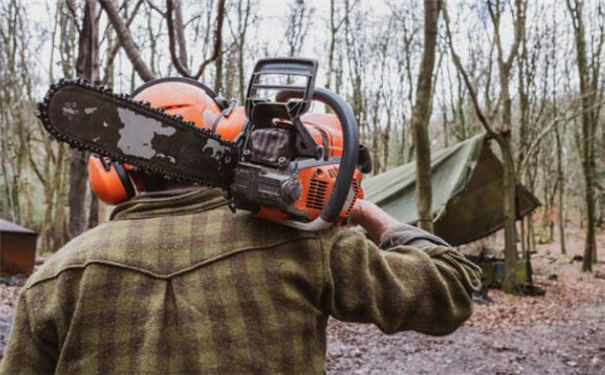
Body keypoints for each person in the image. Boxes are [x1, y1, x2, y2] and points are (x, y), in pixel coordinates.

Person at [0, 80, 481, 374]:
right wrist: (363, 211)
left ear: (115, 172)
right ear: (229, 136)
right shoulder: (303, 244)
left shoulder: (56, 280)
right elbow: (451, 289)